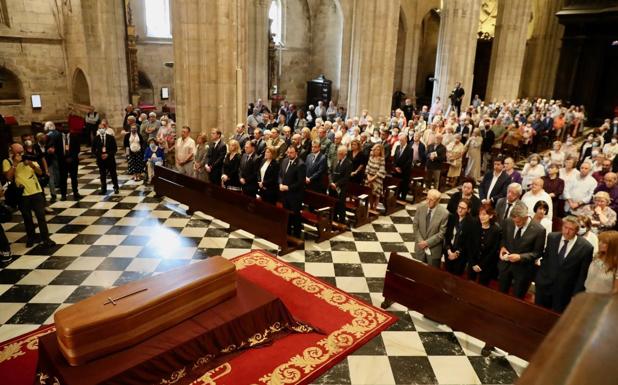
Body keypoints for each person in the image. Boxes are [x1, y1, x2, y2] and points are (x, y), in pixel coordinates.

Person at [535, 216, 594, 312]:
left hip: (565, 291)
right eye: (565, 227)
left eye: (571, 229)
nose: (567, 232)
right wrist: (540, 278)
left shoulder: (586, 247)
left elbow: (582, 275)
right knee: (537, 313)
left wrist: (576, 295)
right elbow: (546, 258)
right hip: (544, 285)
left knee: (557, 320)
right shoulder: (552, 237)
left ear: (577, 231)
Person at [3, 143, 56, 248]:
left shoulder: (29, 158)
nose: (21, 154)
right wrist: (15, 164)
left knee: (41, 216)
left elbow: (40, 173)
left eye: (22, 151)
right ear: (11, 151)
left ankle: (46, 238)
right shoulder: (7, 161)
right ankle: (31, 237)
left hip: (36, 192)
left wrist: (31, 164)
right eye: (18, 152)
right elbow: (8, 177)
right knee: (27, 218)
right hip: (21, 194)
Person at [498, 203, 546, 298]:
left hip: (523, 270)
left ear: (526, 217)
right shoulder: (508, 221)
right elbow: (503, 238)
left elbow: (538, 253)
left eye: (518, 222)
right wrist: (502, 247)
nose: (516, 224)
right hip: (505, 266)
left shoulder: (539, 230)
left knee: (517, 299)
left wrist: (520, 257)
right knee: (500, 296)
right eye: (514, 221)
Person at [413, 189, 449, 267]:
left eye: (431, 200)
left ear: (437, 201)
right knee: (417, 271)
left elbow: (442, 233)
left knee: (431, 275)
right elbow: (415, 226)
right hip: (420, 247)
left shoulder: (444, 213)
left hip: (434, 250)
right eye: (427, 198)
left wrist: (427, 243)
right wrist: (421, 241)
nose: (428, 201)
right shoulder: (420, 208)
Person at [443, 198, 479, 276]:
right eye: (459, 207)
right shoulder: (452, 217)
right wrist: (448, 250)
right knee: (446, 274)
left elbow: (469, 242)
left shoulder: (472, 223)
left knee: (455, 278)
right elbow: (447, 235)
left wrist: (456, 253)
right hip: (449, 252)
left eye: (463, 208)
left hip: (461, 256)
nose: (460, 210)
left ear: (468, 210)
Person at [468, 203, 502, 286]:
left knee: (482, 287)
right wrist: (473, 263)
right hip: (473, 263)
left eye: (484, 214)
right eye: (480, 214)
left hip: (486, 265)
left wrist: (481, 265)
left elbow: (493, 251)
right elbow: (469, 245)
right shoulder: (475, 226)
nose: (481, 217)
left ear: (490, 216)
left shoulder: (496, 230)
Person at [279, 145, 306, 238]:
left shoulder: (300, 164)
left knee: (295, 216)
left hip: (295, 195)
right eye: (288, 152)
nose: (289, 154)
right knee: (287, 214)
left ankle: (296, 236)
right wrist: (280, 184)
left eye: (291, 153)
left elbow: (300, 182)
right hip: (284, 194)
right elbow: (280, 175)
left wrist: (288, 187)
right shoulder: (285, 161)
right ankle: (287, 233)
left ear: (296, 153)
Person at [92, 124, 119, 194]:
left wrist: (108, 154)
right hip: (101, 160)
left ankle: (116, 187)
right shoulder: (96, 138)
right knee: (102, 175)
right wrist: (100, 155)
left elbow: (115, 149)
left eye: (102, 128)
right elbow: (93, 150)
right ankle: (103, 189)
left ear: (105, 128)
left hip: (110, 159)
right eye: (100, 128)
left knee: (113, 174)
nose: (101, 129)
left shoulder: (111, 137)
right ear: (98, 129)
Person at [329, 145, 352, 224]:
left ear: (344, 154)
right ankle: (333, 219)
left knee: (341, 204)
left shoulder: (348, 163)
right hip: (333, 186)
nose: (338, 155)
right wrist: (331, 182)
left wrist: (337, 184)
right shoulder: (336, 160)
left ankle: (341, 221)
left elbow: (346, 177)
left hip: (341, 187)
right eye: (338, 153)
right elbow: (332, 172)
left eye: (340, 154)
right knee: (333, 203)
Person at [364, 143, 386, 211]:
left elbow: (381, 170)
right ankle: (370, 206)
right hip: (369, 177)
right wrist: (368, 177)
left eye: (378, 150)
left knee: (376, 195)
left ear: (380, 151)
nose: (376, 151)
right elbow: (367, 167)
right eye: (375, 149)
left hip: (377, 178)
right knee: (370, 193)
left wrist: (373, 178)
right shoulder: (371, 157)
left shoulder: (381, 159)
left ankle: (375, 207)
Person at [392, 133, 412, 200]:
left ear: (406, 140)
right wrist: (395, 167)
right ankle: (396, 197)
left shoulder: (410, 149)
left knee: (404, 186)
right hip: (397, 171)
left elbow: (409, 161)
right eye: (400, 140)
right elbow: (394, 158)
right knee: (397, 185)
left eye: (402, 140)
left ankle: (403, 198)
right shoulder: (398, 147)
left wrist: (401, 169)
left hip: (405, 171)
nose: (401, 142)